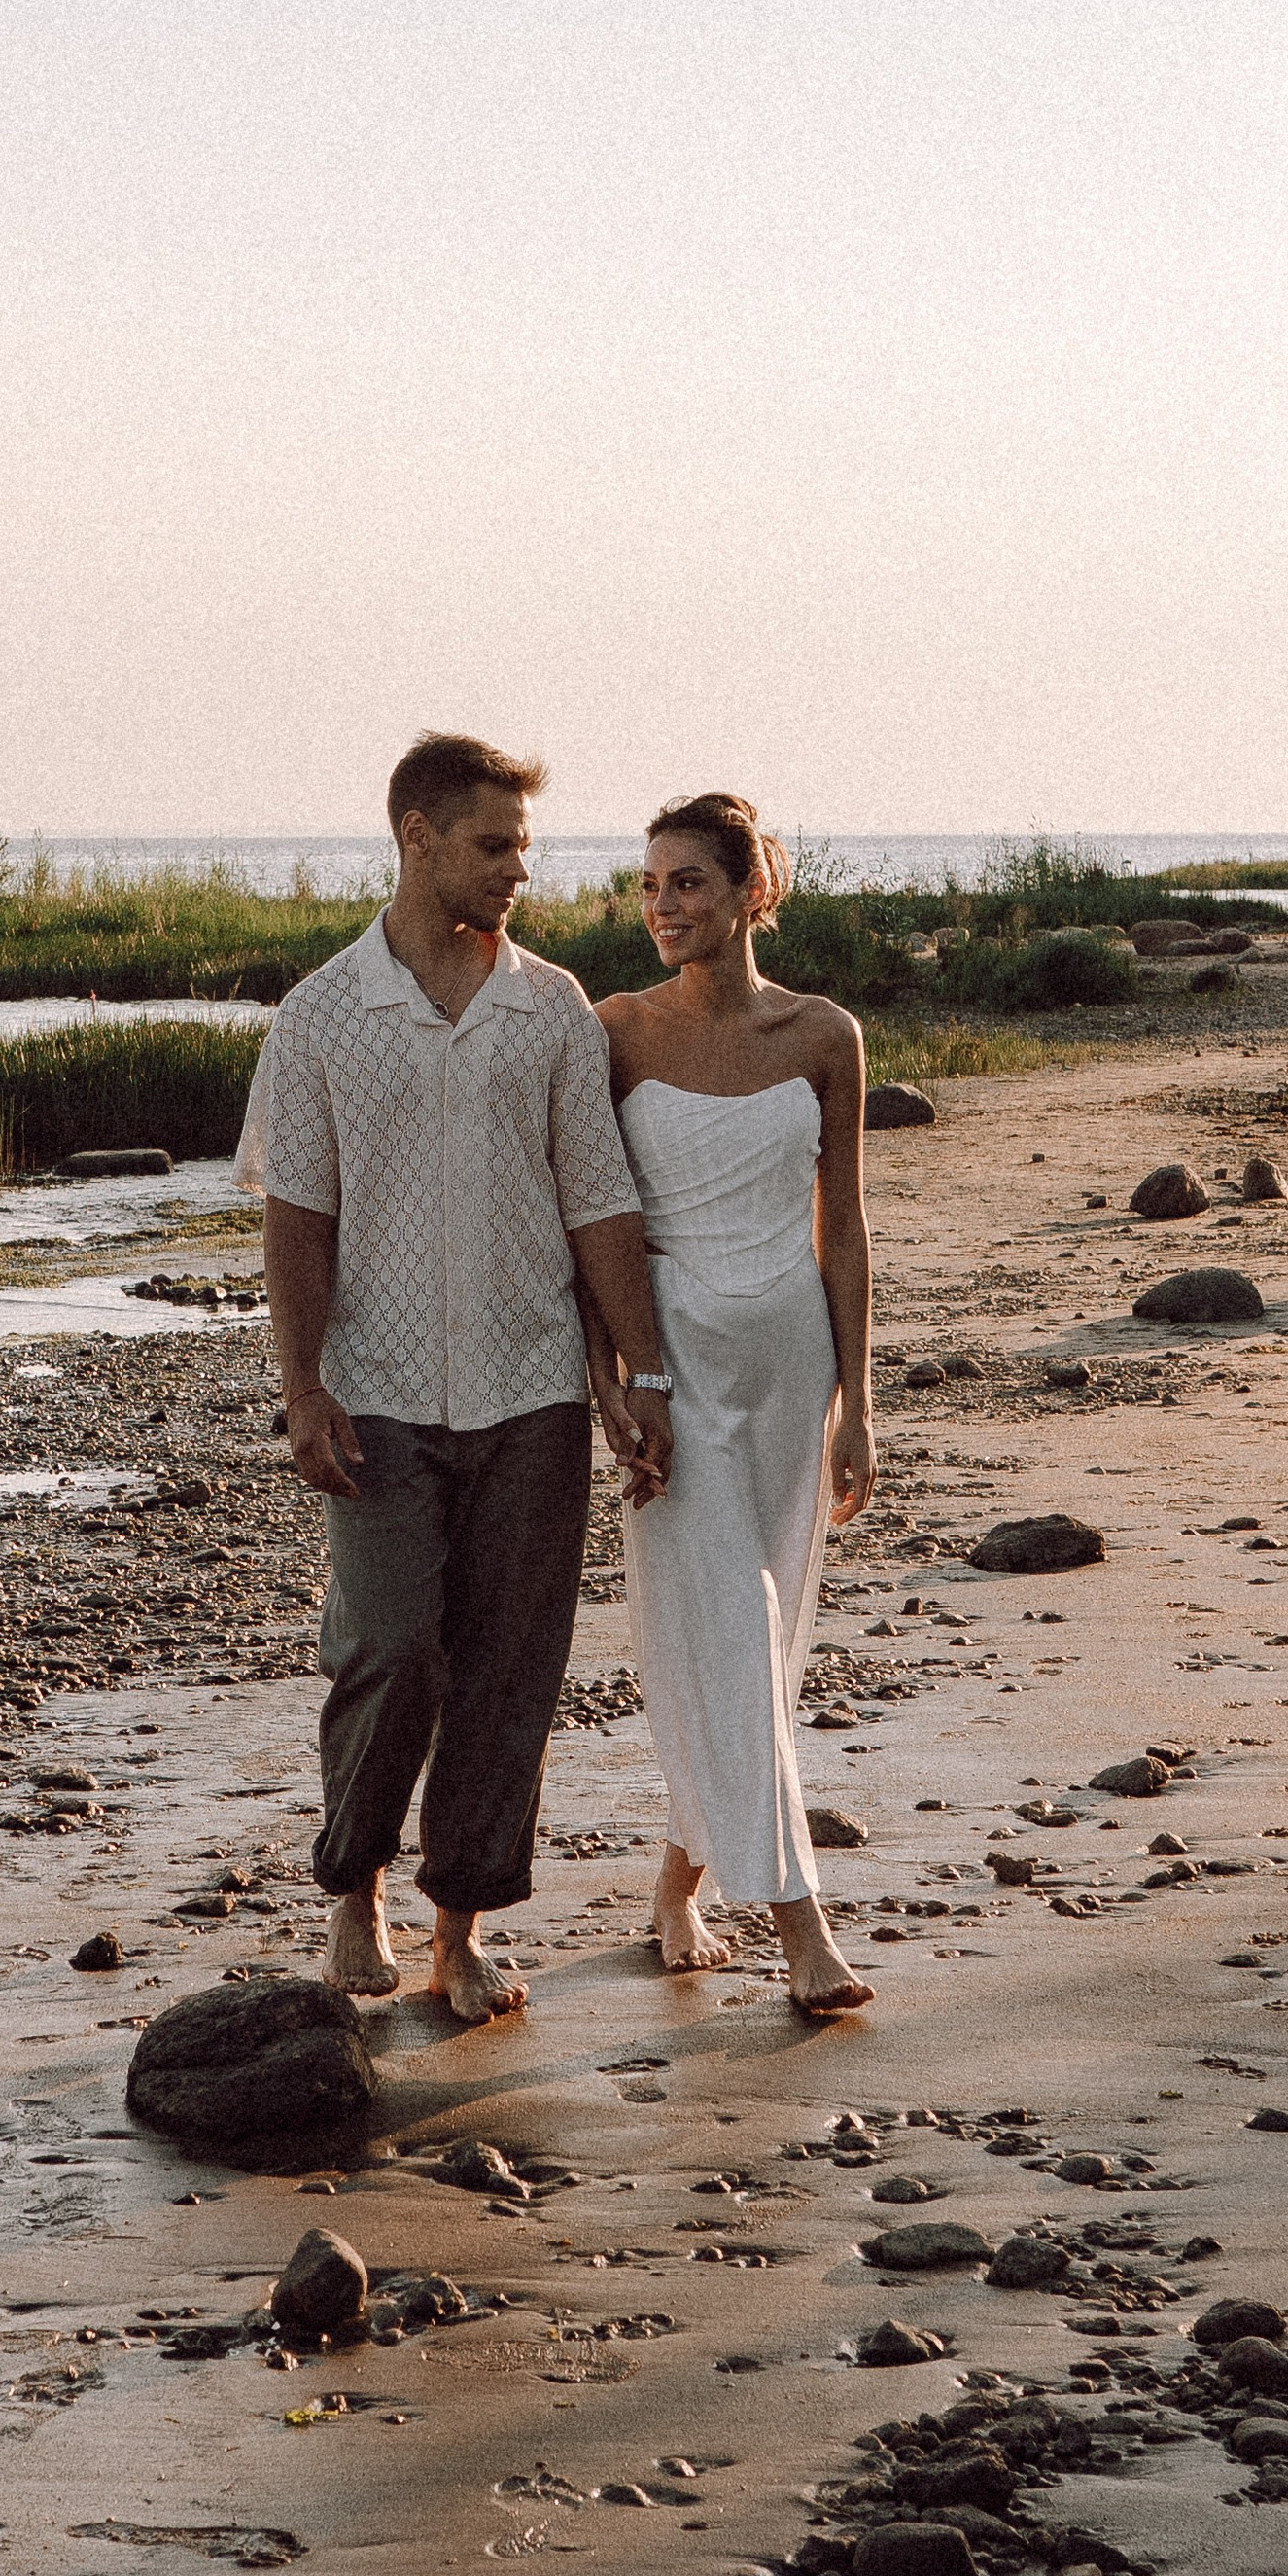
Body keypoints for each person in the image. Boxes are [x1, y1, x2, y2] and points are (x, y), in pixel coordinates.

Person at [236, 731, 675, 2024]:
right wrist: (302, 1384)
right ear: (417, 838)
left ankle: (461, 1929)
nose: (515, 873)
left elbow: (599, 1205)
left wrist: (635, 1367)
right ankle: (351, 1885)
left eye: (523, 850)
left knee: (511, 1666)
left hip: (533, 1387)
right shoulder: (320, 1018)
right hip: (375, 1388)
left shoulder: (551, 1009)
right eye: (492, 847)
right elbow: (296, 1218)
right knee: (390, 1645)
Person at [587, 793, 878, 2020]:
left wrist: (858, 1398)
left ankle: (674, 1885)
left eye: (688, 883)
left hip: (787, 1361)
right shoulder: (609, 1032)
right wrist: (611, 1379)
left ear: (752, 890)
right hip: (673, 1369)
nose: (662, 907)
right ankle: (801, 1926)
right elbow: (587, 1224)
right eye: (649, 885)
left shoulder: (824, 1036)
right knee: (718, 1633)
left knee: (760, 1645)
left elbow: (846, 1222)